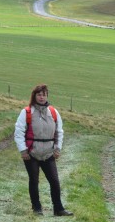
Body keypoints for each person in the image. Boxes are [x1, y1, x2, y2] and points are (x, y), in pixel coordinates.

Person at [14, 84, 73, 217]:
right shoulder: (27, 112)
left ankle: (58, 209)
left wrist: (58, 149)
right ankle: (37, 208)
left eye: (44, 94)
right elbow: (18, 132)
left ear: (47, 96)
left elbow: (59, 131)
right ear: (34, 96)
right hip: (31, 153)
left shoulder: (53, 112)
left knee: (54, 181)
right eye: (39, 94)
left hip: (48, 153)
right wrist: (23, 151)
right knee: (34, 181)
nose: (42, 97)